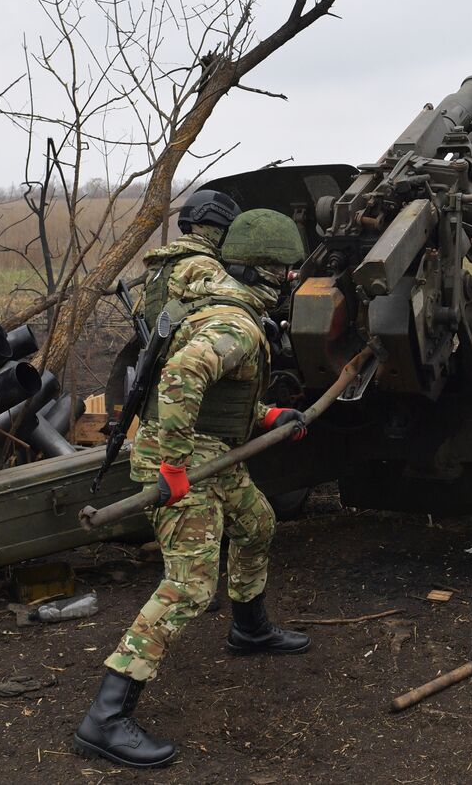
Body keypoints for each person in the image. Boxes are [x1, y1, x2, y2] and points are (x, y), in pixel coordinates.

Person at [75, 208, 313, 769]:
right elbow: (182, 376)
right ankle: (105, 718)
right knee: (189, 586)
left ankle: (250, 631)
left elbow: (221, 396)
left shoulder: (232, 310)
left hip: (212, 451)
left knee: (257, 524)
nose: (291, 282)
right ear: (264, 272)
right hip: (182, 460)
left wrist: (269, 413)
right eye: (285, 272)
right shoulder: (235, 323)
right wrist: (175, 469)